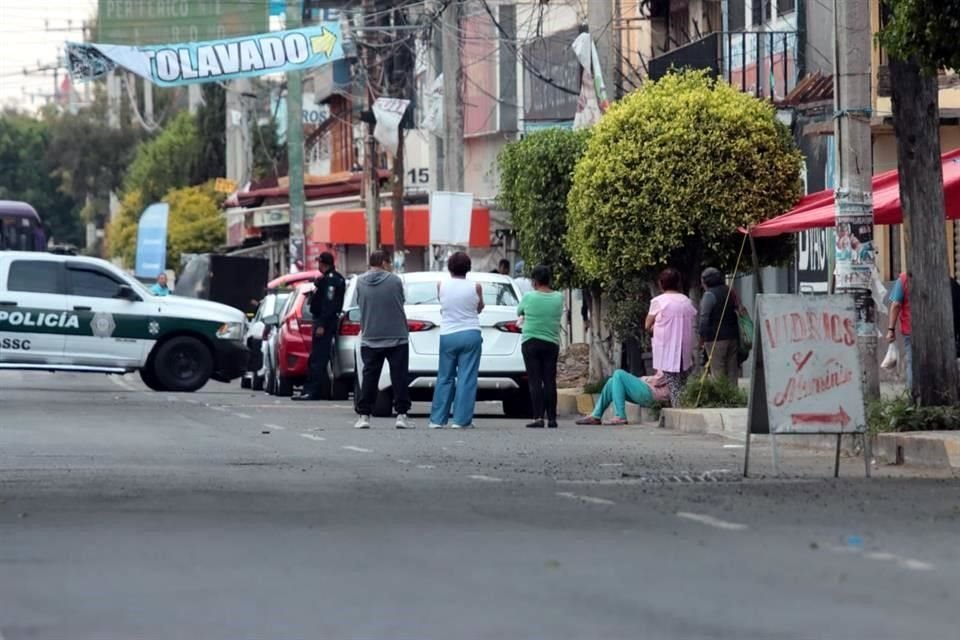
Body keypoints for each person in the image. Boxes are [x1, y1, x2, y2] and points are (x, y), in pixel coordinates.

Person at [354, 251, 412, 429]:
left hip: (370, 335)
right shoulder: (395, 281)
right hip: (396, 335)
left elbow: (359, 302)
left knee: (370, 377)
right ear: (384, 263)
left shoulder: (360, 282)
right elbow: (401, 300)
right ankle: (401, 415)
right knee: (399, 376)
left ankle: (364, 415)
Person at [429, 251, 484, 429]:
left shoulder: (440, 285)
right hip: (471, 333)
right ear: (468, 268)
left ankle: (437, 420)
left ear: (449, 267)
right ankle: (461, 420)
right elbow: (479, 308)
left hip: (448, 335)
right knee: (467, 378)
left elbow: (444, 304)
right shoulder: (476, 286)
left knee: (445, 376)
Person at [293, 252, 346, 401]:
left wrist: (322, 324)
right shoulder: (326, 279)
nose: (318, 266)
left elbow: (328, 304)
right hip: (323, 321)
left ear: (324, 264)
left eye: (320, 263)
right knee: (316, 358)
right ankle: (313, 389)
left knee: (318, 358)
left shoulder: (331, 280)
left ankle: (312, 391)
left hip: (325, 323)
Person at [517, 265, 564, 429]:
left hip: (531, 341)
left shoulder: (529, 297)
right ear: (549, 279)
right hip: (551, 342)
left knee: (535, 381)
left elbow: (519, 311)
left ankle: (538, 417)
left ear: (534, 281)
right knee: (550, 380)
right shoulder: (559, 297)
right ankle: (552, 418)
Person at [645, 267, 698, 408]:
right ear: (678, 283)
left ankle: (678, 409)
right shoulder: (686, 301)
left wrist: (656, 326)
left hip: (667, 349)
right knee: (682, 383)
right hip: (684, 349)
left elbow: (647, 324)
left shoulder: (659, 301)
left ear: (661, 283)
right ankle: (683, 407)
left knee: (673, 384)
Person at [575, 370, 671, 425]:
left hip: (655, 394)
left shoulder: (671, 354)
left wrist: (642, 379)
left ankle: (620, 416)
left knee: (618, 374)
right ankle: (596, 415)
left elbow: (659, 380)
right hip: (651, 390)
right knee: (612, 381)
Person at [698, 267, 740, 382]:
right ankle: (734, 396)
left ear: (706, 281)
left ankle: (722, 398)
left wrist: (702, 337)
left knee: (718, 371)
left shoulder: (709, 295)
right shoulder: (730, 291)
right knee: (732, 370)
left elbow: (704, 318)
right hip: (733, 336)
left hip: (715, 338)